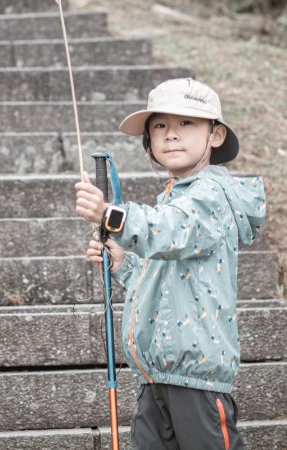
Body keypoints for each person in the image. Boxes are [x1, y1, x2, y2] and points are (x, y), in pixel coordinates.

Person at [74, 77, 266, 450]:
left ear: (215, 135)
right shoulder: (171, 199)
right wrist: (122, 262)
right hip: (156, 373)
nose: (171, 134)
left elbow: (172, 230)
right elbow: (162, 277)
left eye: (186, 123)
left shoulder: (211, 194)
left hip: (196, 378)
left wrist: (112, 215)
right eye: (160, 125)